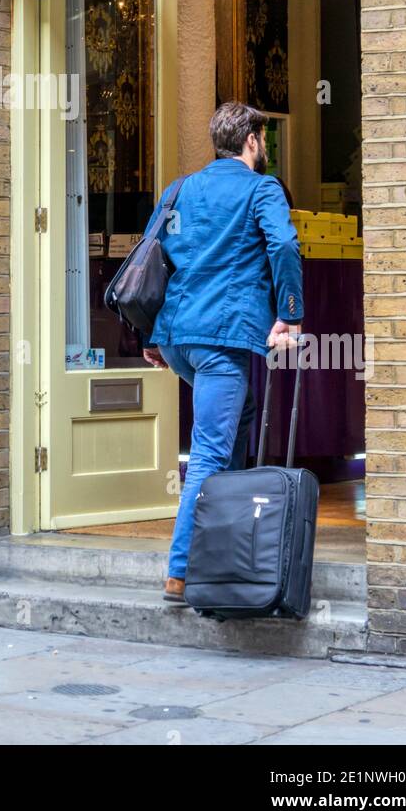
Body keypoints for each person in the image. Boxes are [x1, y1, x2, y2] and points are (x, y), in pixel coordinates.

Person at [142, 101, 303, 604]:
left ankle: (224, 532)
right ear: (252, 141)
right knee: (210, 449)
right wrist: (290, 312)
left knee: (242, 412)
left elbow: (151, 258)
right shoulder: (262, 189)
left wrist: (152, 333)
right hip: (220, 339)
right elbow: (282, 246)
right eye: (263, 139)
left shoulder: (179, 189)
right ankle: (182, 570)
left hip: (178, 338)